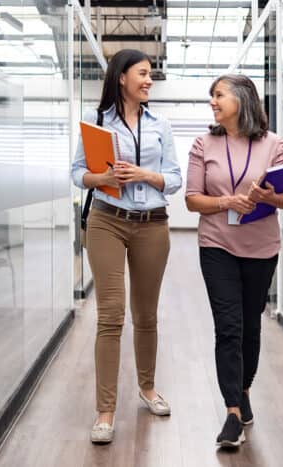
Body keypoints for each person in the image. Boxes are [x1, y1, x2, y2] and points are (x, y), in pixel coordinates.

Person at [70, 49, 183, 444]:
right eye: (143, 73)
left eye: (151, 74)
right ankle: (105, 411)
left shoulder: (160, 125)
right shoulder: (96, 120)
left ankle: (148, 388)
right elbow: (76, 173)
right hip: (107, 221)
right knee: (111, 314)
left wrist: (145, 175)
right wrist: (100, 176)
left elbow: (174, 178)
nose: (149, 80)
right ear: (122, 78)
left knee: (146, 314)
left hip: (152, 224)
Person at [184, 74, 283, 448]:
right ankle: (232, 411)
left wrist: (269, 196)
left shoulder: (273, 144)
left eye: (218, 95)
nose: (212, 102)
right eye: (211, 96)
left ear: (242, 98)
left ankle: (244, 389)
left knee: (251, 326)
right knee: (228, 326)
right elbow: (191, 199)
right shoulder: (205, 143)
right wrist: (227, 202)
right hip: (216, 244)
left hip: (262, 247)